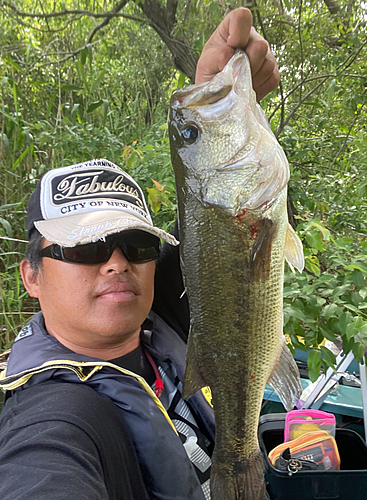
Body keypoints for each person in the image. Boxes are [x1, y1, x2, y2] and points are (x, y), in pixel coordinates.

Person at [0, 8, 280, 500]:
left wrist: (218, 94)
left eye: (137, 244)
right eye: (84, 247)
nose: (117, 262)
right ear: (32, 276)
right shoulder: (50, 421)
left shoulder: (163, 317)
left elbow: (230, 230)